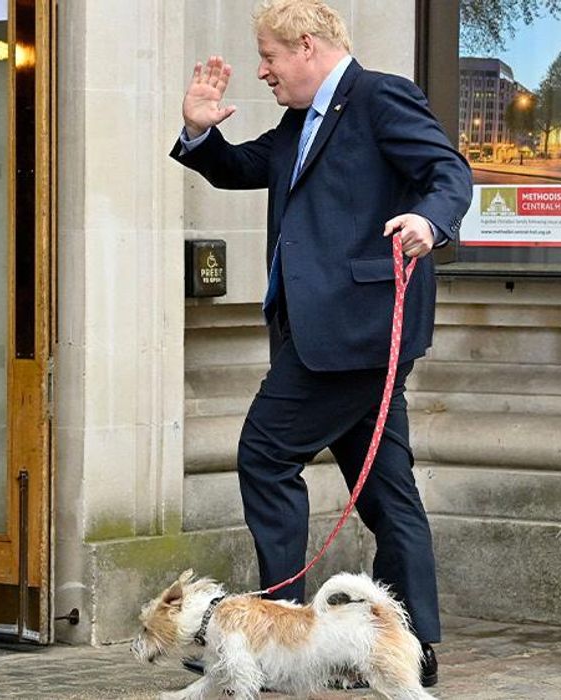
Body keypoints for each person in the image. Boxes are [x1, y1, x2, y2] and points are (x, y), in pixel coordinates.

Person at [169, 0, 472, 687]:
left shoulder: (380, 96)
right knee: (389, 497)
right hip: (325, 334)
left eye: (271, 58)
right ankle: (412, 647)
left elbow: (447, 172)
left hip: (355, 334)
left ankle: (277, 638)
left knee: (265, 452)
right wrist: (197, 130)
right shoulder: (299, 120)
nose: (263, 71)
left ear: (306, 47)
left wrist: (429, 221)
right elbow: (241, 167)